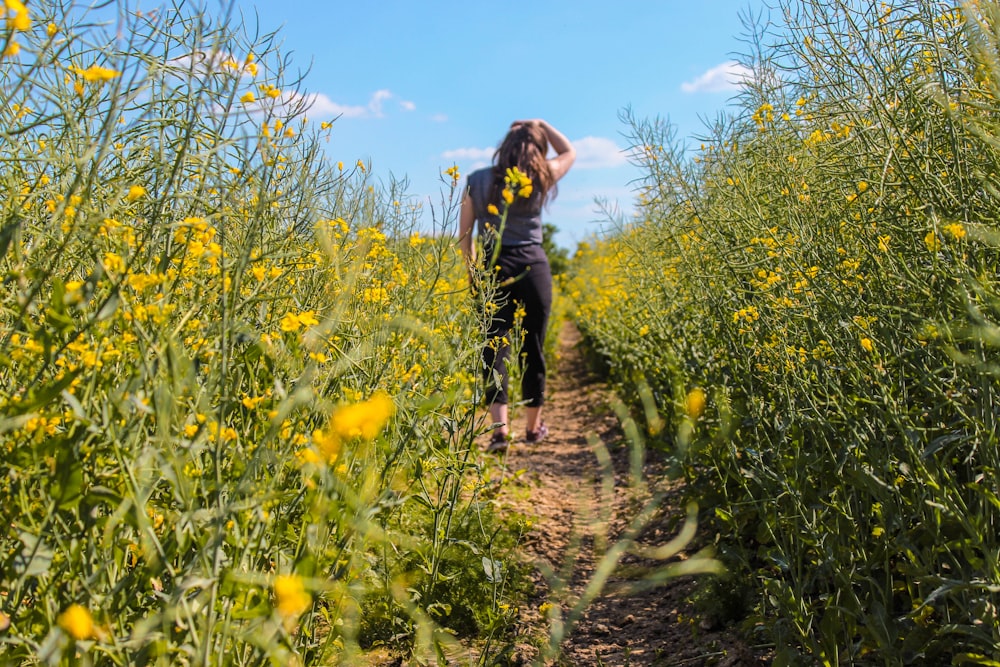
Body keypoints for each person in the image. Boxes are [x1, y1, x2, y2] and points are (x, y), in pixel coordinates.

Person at [458, 119, 576, 452]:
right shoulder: (542, 176)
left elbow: (465, 237)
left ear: (504, 146)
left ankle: (499, 432)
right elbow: (570, 151)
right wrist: (541, 124)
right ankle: (534, 427)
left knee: (494, 350)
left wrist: (474, 275)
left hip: (493, 266)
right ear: (538, 148)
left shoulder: (477, 180)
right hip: (533, 266)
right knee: (533, 347)